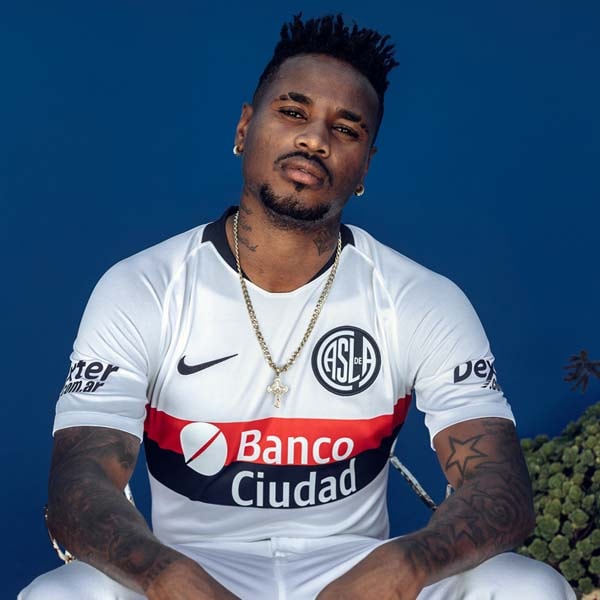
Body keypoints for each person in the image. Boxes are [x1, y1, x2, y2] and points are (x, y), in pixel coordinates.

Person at [20, 13, 575, 600]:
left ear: (365, 167)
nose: (315, 139)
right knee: (59, 595)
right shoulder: (143, 288)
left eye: (346, 129)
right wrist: (167, 576)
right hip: (191, 567)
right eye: (293, 112)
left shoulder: (421, 299)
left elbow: (500, 487)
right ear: (244, 127)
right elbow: (79, 485)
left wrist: (405, 565)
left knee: (526, 586)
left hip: (358, 570)